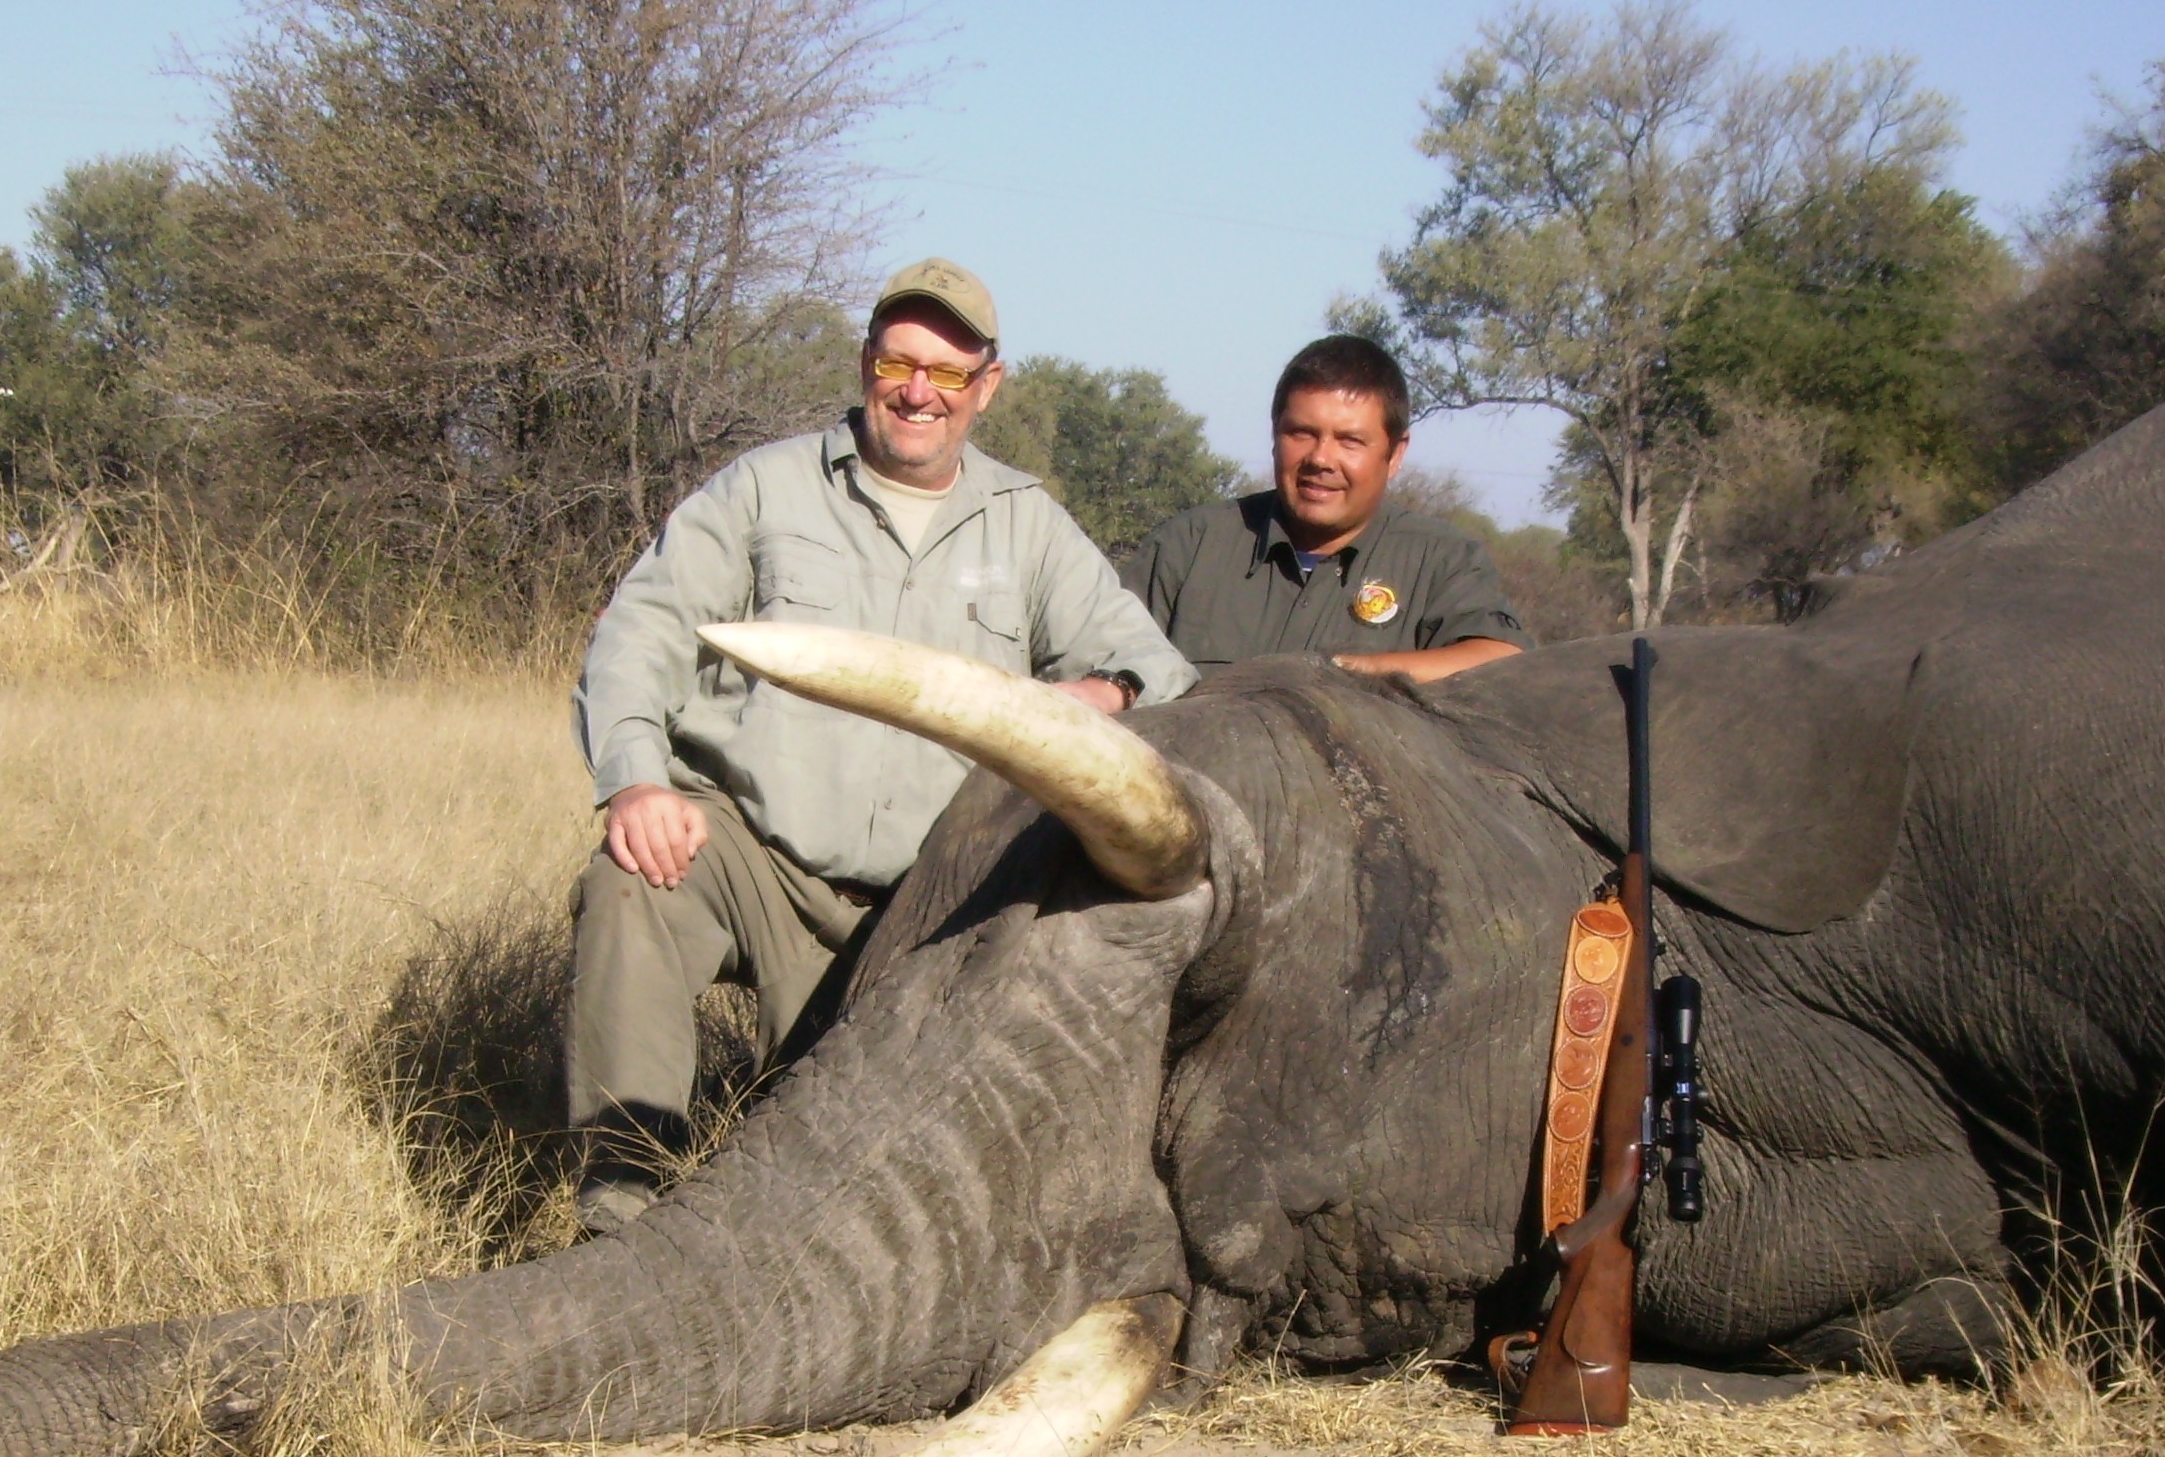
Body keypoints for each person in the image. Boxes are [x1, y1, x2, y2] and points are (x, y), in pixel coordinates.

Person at [566, 257, 1197, 1234]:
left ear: (986, 386)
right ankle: (616, 1213)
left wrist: (1100, 690)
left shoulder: (1027, 525)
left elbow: (1155, 668)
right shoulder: (764, 490)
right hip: (761, 864)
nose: (917, 392)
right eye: (898, 363)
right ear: (866, 364)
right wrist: (636, 783)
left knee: (846, 1206)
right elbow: (641, 629)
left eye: (946, 374)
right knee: (631, 884)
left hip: (933, 911)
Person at [1124, 334, 1524, 686]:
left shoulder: (1442, 559)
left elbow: (1501, 661)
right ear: (1275, 434)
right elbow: (1107, 659)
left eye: (1350, 441)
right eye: (1302, 433)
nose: (1321, 459)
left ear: (1395, 453)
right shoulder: (1189, 545)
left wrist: (1341, 676)